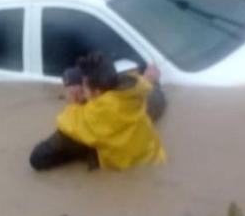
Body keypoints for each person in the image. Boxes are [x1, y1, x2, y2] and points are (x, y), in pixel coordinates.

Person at [29, 53, 166, 171]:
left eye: (84, 86)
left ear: (96, 92)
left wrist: (74, 105)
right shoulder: (136, 97)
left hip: (119, 180)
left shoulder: (90, 120)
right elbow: (158, 100)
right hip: (154, 161)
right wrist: (152, 81)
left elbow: (38, 159)